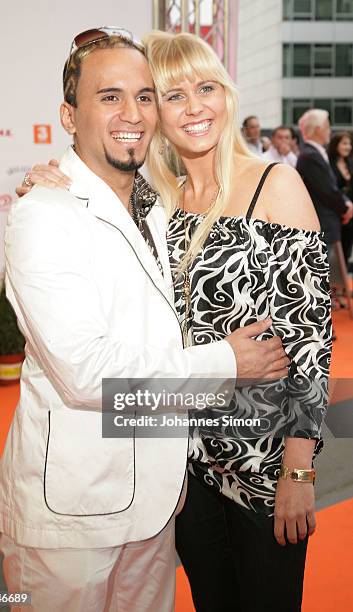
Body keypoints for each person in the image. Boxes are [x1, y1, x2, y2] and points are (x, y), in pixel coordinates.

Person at [18, 30, 328, 612]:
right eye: (172, 94)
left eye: (206, 88)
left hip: (263, 467)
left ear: (227, 95)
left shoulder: (274, 184)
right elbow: (88, 190)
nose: (194, 107)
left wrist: (300, 471)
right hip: (183, 470)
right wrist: (47, 179)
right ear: (155, 112)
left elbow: (309, 337)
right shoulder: (159, 199)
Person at [296, 108, 353, 258]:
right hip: (322, 226)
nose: (329, 130)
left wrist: (346, 204)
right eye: (327, 126)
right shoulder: (309, 156)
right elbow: (327, 191)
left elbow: (331, 186)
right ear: (318, 129)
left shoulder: (315, 153)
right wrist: (345, 207)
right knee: (324, 277)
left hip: (327, 225)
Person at [328, 132, 353, 266]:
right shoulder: (328, 164)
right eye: (344, 143)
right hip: (336, 213)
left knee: (347, 249)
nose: (347, 147)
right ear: (336, 145)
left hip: (351, 213)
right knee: (335, 251)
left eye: (349, 143)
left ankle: (343, 283)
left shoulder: (350, 162)